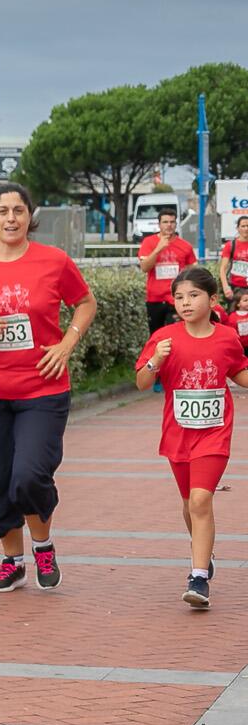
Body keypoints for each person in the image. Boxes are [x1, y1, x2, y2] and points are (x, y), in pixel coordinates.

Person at [0, 181, 96, 592]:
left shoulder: (54, 261)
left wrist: (67, 343)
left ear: (30, 216)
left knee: (28, 475)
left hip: (42, 390)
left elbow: (85, 302)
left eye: (19, 210)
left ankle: (42, 546)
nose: (11, 218)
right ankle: (12, 561)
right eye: (3, 211)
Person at [134, 266, 248, 608]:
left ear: (212, 300)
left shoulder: (227, 337)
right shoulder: (164, 338)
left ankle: (198, 578)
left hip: (214, 434)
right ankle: (203, 549)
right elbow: (141, 383)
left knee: (201, 500)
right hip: (178, 434)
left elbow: (238, 371)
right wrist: (155, 361)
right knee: (188, 503)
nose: (185, 302)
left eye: (193, 295)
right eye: (179, 297)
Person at [138, 208, 195, 333]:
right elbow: (144, 268)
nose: (169, 225)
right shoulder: (149, 242)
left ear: (176, 224)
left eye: (172, 222)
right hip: (155, 299)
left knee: (176, 334)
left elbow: (193, 272)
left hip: (177, 298)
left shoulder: (185, 246)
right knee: (156, 335)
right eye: (165, 222)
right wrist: (158, 249)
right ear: (159, 224)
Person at [218, 213, 248, 298]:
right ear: (237, 228)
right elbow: (223, 268)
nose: (246, 228)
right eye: (243, 226)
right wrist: (225, 287)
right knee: (234, 311)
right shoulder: (230, 245)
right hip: (235, 288)